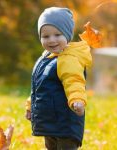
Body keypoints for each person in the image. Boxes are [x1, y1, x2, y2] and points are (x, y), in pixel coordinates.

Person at [25, 7, 92, 150]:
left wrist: (77, 100)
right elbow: (39, 87)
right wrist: (31, 106)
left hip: (65, 121)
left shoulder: (69, 59)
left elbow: (74, 81)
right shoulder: (46, 58)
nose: (52, 40)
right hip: (50, 121)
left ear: (67, 34)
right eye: (46, 36)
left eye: (57, 34)